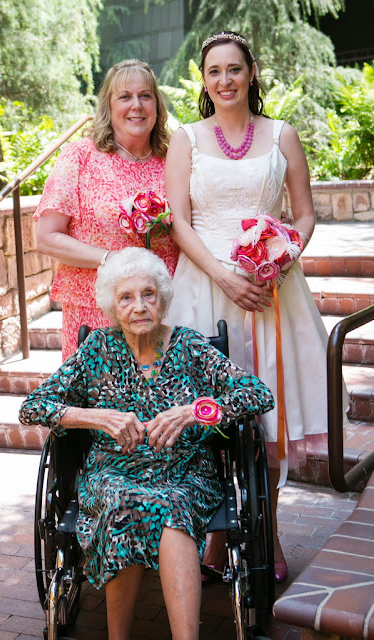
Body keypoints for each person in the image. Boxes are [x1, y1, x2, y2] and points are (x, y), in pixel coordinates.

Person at [165, 31, 349, 583]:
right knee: (211, 412)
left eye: (234, 70)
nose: (224, 80)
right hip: (204, 288)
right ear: (204, 81)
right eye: (214, 71)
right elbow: (178, 220)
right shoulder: (186, 140)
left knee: (268, 416)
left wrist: (282, 257)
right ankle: (218, 538)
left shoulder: (283, 135)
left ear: (251, 74)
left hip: (273, 292)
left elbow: (306, 215)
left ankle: (268, 534)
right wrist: (222, 273)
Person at [19, 247, 274, 640]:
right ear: (112, 306)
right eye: (126, 297)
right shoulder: (97, 349)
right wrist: (94, 417)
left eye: (148, 294)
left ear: (163, 299)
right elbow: (33, 407)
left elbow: (257, 394)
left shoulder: (189, 347)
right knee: (125, 502)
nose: (139, 306)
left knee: (171, 508)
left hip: (184, 472)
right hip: (113, 473)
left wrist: (194, 411)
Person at [34, 59, 179, 361]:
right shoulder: (81, 157)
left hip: (162, 312)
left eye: (145, 96)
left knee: (163, 401)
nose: (136, 105)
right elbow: (46, 237)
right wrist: (111, 260)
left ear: (157, 105)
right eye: (125, 97)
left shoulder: (173, 161)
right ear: (108, 107)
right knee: (102, 403)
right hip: (95, 311)